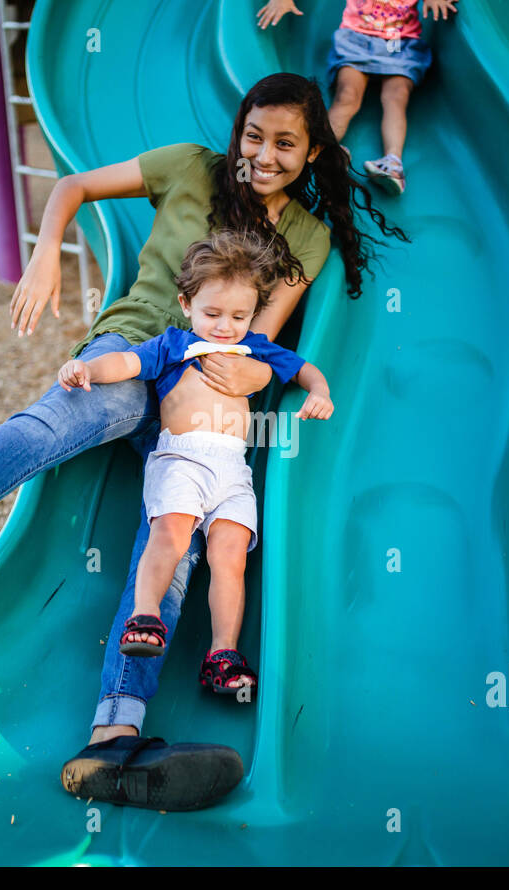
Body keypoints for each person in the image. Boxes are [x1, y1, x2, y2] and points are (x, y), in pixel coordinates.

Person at [0, 72, 405, 812]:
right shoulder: (189, 165)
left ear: (310, 150)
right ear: (238, 131)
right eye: (254, 136)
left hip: (197, 413)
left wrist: (250, 382)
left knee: (171, 555)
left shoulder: (307, 234)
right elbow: (72, 186)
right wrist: (45, 253)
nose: (264, 154)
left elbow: (255, 352)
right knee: (67, 416)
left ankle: (112, 740)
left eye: (285, 143)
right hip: (134, 353)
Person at [58, 231, 333, 697]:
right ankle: (144, 616)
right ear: (186, 304)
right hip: (182, 459)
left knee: (230, 558)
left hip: (232, 470)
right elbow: (126, 362)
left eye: (239, 316)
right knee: (171, 532)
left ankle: (222, 655)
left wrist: (321, 392)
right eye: (212, 313)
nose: (226, 326)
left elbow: (303, 367)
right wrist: (89, 369)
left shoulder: (256, 348)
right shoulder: (173, 344)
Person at [257, 0, 457, 194]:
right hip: (357, 39)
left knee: (396, 97)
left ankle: (393, 163)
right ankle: (323, 150)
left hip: (397, 42)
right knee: (347, 96)